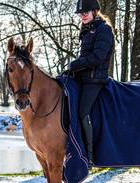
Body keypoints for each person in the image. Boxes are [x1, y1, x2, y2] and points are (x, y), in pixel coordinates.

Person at [68, 0, 115, 167]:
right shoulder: (88, 29)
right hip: (84, 77)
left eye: (86, 12)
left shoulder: (104, 29)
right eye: (80, 13)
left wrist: (76, 65)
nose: (82, 15)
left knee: (82, 112)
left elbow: (97, 58)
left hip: (96, 80)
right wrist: (71, 70)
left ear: (95, 11)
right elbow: (84, 57)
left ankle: (89, 155)